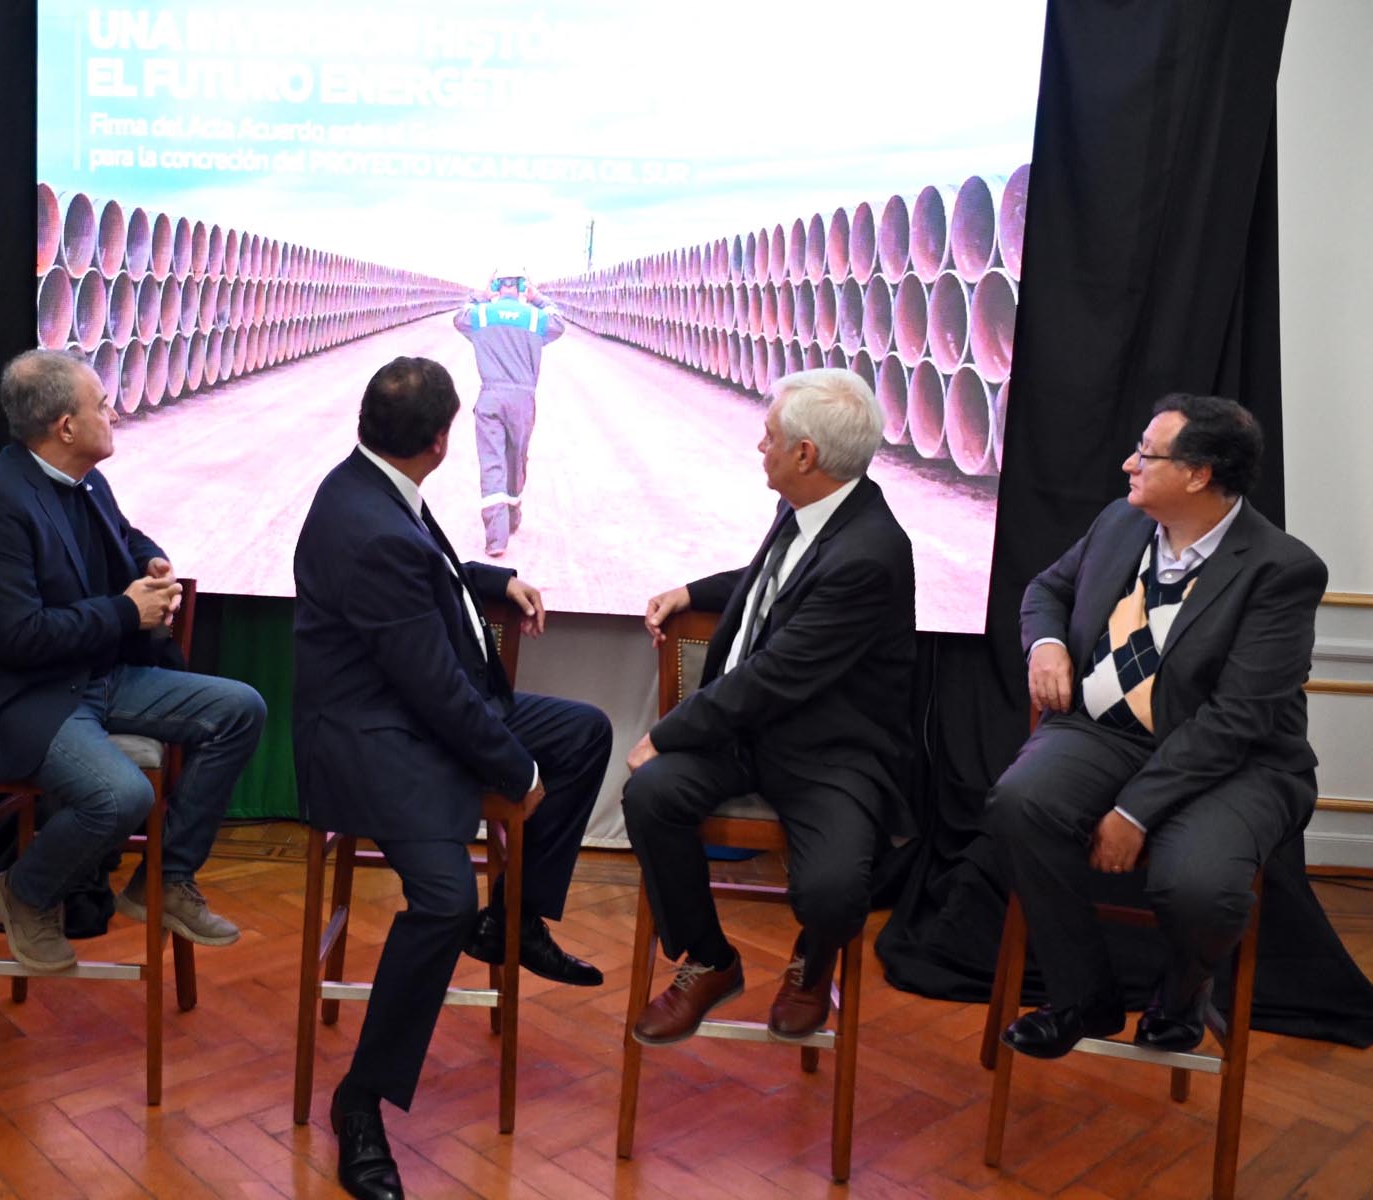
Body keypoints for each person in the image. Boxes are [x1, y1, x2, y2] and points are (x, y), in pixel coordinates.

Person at [293, 356, 612, 1200]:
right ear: (441, 441)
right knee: (443, 901)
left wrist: (495, 580)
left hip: (421, 714)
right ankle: (360, 1102)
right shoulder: (372, 526)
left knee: (583, 733)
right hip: (376, 740)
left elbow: (427, 573)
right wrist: (516, 770)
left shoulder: (373, 484)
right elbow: (432, 688)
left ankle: (516, 922)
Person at [989, 394, 1325, 1058]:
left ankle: (1181, 991)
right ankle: (1083, 996)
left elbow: (1238, 719)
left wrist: (1134, 811)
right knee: (1019, 803)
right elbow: (1047, 590)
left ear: (1199, 474)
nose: (1129, 464)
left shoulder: (1281, 570)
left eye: (1146, 454)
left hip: (1238, 764)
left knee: (1199, 888)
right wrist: (1046, 646)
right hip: (1105, 734)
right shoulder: (1121, 522)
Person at [0, 349, 265, 973]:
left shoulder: (84, 480)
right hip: (20, 698)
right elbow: (18, 638)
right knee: (120, 795)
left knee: (240, 709)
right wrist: (125, 611)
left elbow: (124, 536)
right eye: (102, 405)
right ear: (65, 426)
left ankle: (165, 879)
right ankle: (25, 892)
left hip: (94, 677)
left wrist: (150, 562)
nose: (113, 414)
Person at [624, 367, 916, 1045]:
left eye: (770, 435)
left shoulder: (870, 554)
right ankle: (710, 959)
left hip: (827, 752)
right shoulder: (813, 506)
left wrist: (665, 734)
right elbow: (775, 582)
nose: (761, 445)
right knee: (652, 797)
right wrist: (692, 591)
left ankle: (813, 960)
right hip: (748, 737)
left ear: (806, 454)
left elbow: (774, 677)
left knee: (832, 892)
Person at [451, 270, 564, 557]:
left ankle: (496, 538)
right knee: (516, 460)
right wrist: (538, 298)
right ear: (523, 286)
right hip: (523, 400)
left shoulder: (482, 315)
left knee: (492, 463)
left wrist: (480, 295)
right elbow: (559, 322)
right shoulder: (535, 318)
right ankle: (512, 517)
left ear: (497, 286)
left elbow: (459, 317)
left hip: (490, 397)